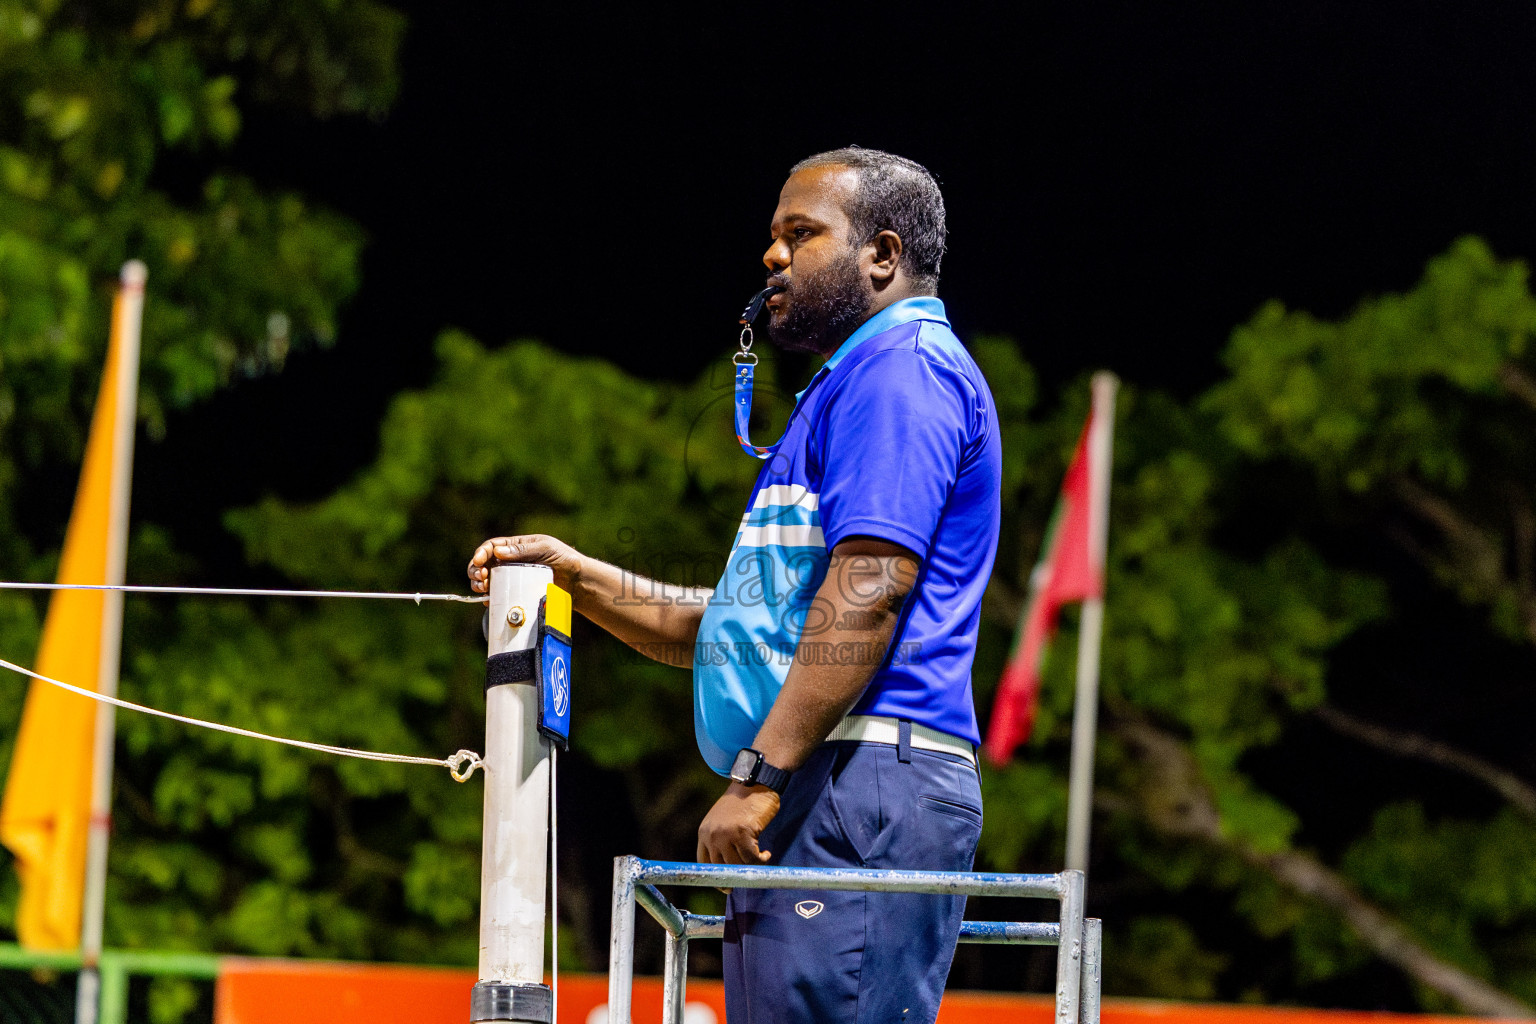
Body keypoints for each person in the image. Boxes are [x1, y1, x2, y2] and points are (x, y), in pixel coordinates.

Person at [468, 147, 1001, 1024]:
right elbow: (732, 633)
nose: (772, 256)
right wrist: (580, 574)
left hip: (856, 774)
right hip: (824, 776)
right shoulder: (845, 387)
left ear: (882, 254)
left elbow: (869, 585)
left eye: (801, 233)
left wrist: (760, 774)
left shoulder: (903, 369)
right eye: (772, 236)